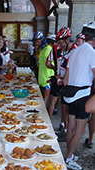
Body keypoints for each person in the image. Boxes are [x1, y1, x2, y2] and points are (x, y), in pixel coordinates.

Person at [63, 21, 95, 170]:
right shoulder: (91, 52)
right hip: (82, 93)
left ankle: (69, 154)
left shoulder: (76, 50)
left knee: (71, 127)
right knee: (80, 130)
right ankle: (68, 158)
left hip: (69, 92)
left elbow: (65, 78)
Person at [46, 27, 77, 138]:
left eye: (61, 43)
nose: (59, 45)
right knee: (53, 101)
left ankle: (64, 127)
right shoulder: (55, 48)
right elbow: (48, 63)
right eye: (58, 42)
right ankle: (48, 126)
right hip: (58, 79)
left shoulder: (75, 50)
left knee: (65, 107)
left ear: (67, 40)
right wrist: (56, 71)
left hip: (68, 82)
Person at [38, 34, 56, 106]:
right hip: (47, 77)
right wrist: (55, 68)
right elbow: (48, 64)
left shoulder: (43, 49)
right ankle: (42, 113)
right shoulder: (50, 50)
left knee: (42, 96)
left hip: (42, 76)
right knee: (46, 97)